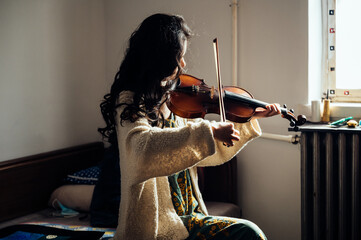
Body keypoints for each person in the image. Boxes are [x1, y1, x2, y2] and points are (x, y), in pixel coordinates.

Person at [98, 13, 280, 240]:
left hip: (190, 215)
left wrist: (251, 118)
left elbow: (202, 151)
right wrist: (210, 131)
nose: (183, 64)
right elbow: (141, 149)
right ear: (160, 57)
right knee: (248, 233)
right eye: (179, 57)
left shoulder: (174, 97)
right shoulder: (129, 100)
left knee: (247, 232)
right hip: (159, 224)